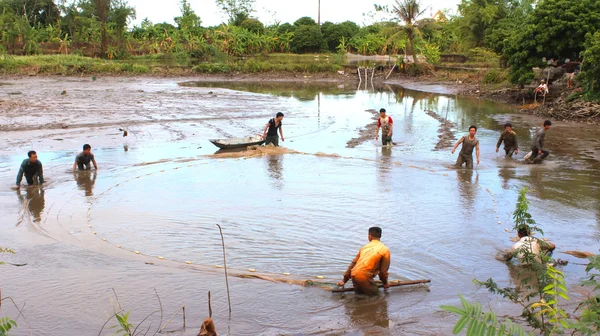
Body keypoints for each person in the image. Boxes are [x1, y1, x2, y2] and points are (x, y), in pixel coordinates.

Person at [337, 227, 391, 296]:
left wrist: (344, 281)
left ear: (370, 236)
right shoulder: (385, 250)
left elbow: (353, 264)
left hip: (354, 275)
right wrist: (385, 283)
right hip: (364, 277)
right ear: (380, 236)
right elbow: (383, 272)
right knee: (377, 297)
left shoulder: (364, 248)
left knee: (359, 297)